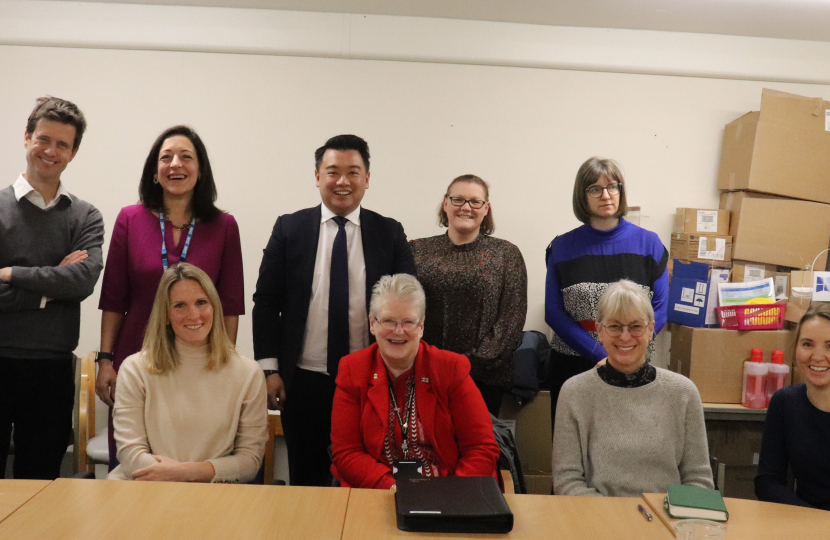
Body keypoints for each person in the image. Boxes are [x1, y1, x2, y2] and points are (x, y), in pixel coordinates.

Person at [252, 134, 416, 486]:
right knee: (307, 479)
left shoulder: (389, 232)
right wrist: (270, 371)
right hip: (304, 379)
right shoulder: (289, 228)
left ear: (367, 179)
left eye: (353, 172)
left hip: (371, 378)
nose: (343, 181)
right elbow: (266, 302)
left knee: (367, 478)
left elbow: (408, 302)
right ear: (317, 176)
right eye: (333, 172)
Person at [96, 125, 244, 466]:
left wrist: (225, 365)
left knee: (194, 458)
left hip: (200, 361)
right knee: (136, 462)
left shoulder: (224, 226)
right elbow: (114, 298)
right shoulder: (130, 219)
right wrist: (105, 360)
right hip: (137, 356)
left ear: (201, 169)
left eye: (186, 157)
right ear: (154, 171)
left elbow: (231, 305)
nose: (175, 164)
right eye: (166, 157)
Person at [0, 96, 104, 480]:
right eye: (44, 139)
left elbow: (82, 281)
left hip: (53, 371)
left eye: (62, 144)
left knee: (39, 484)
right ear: (27, 138)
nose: (51, 151)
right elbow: (66, 284)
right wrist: (51, 284)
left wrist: (10, 273)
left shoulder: (84, 216)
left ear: (73, 152)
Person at [331, 274, 500, 489]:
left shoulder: (451, 369)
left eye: (408, 322)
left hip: (448, 489)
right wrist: (390, 487)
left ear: (421, 327)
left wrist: (452, 493)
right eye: (389, 321)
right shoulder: (352, 370)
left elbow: (482, 447)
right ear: (372, 324)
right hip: (376, 490)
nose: (398, 331)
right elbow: (346, 452)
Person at [552, 280, 713, 496]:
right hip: (599, 522)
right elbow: (567, 482)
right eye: (615, 326)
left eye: (636, 326)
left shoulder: (684, 393)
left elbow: (699, 482)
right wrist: (619, 520)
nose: (625, 336)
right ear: (600, 331)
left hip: (666, 522)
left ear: (650, 330)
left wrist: (663, 518)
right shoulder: (574, 393)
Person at [109, 264, 267, 483]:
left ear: (214, 307)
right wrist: (175, 479)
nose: (194, 315)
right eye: (180, 306)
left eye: (201, 302)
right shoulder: (135, 369)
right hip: (145, 488)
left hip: (214, 495)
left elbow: (250, 460)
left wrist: (187, 473)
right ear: (165, 315)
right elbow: (130, 455)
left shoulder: (248, 374)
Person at [545, 157, 668, 432]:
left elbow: (659, 310)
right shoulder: (562, 247)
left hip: (632, 365)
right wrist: (600, 353)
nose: (606, 195)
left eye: (613, 187)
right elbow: (553, 312)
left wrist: (622, 352)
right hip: (573, 367)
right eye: (595, 189)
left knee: (631, 448)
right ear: (582, 195)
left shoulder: (649, 244)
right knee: (573, 453)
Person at [411, 175, 526, 416]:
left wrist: (468, 365)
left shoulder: (506, 254)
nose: (466, 207)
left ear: (486, 208)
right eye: (458, 199)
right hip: (425, 375)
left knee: (477, 451)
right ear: (445, 204)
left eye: (475, 202)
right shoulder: (417, 251)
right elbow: (405, 312)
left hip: (485, 379)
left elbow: (511, 319)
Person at [755, 303, 830, 510]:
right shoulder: (785, 403)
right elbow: (767, 482)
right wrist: (813, 519)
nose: (817, 356)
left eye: (829, 346)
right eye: (807, 344)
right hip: (806, 524)